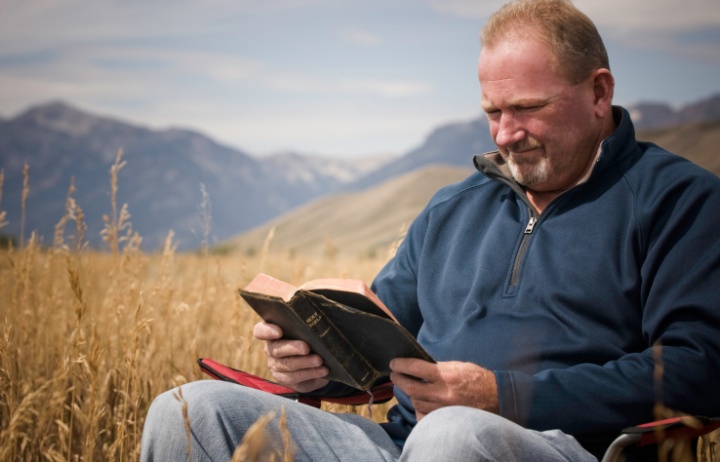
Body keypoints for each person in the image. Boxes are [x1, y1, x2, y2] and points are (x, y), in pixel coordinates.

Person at [140, 0, 720, 460]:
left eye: (527, 108)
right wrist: (314, 365)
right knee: (190, 410)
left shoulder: (679, 200)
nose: (504, 135)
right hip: (399, 446)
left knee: (452, 435)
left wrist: (501, 397)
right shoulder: (451, 208)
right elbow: (375, 355)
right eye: (493, 112)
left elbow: (701, 370)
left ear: (599, 92)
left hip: (563, 447)